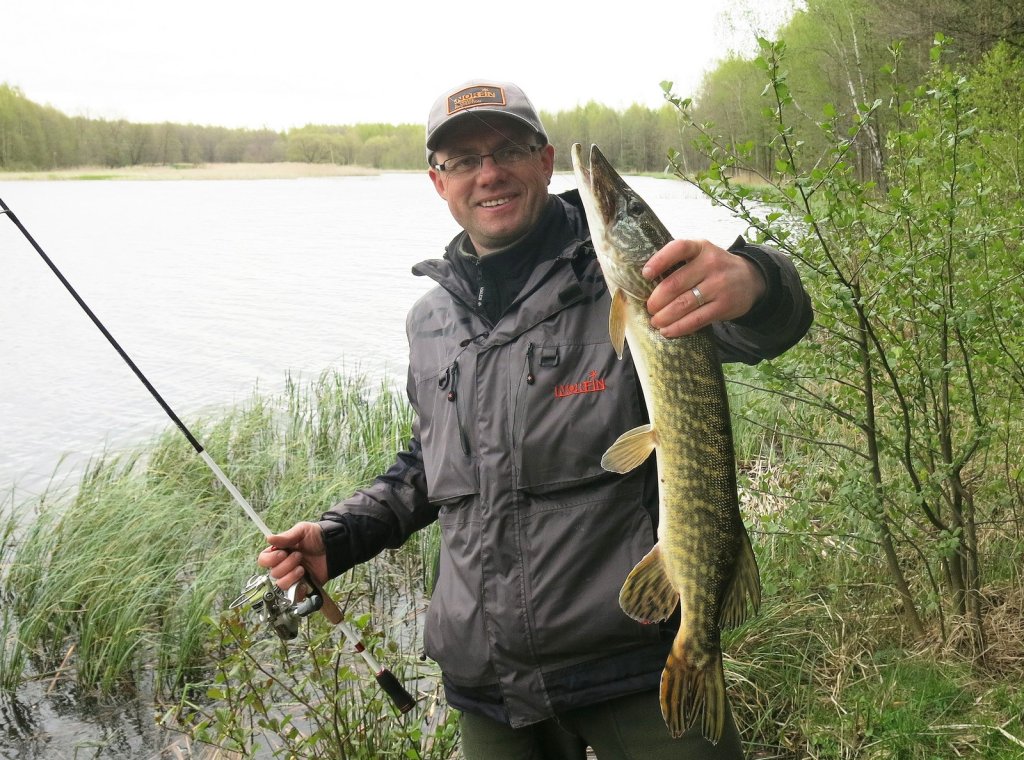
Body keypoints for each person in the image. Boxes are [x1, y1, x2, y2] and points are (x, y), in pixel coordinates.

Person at [259, 80, 813, 759]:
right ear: (439, 183)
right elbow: (430, 462)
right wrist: (340, 538)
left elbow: (767, 327)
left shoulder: (644, 286)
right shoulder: (430, 319)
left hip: (628, 661)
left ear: (544, 161)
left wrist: (756, 279)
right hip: (490, 681)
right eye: (463, 160)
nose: (488, 173)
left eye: (508, 150)